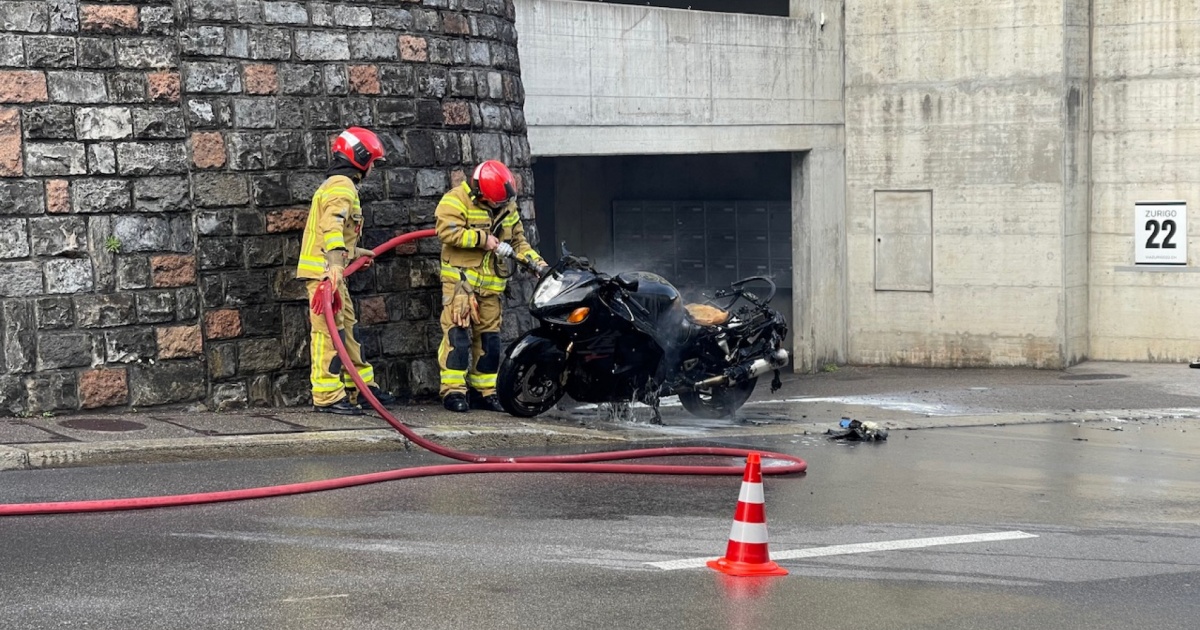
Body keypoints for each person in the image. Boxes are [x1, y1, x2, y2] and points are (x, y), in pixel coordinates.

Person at [296, 126, 398, 415]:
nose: (372, 169)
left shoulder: (340, 185)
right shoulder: (342, 185)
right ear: (361, 158)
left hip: (332, 274)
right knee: (328, 335)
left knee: (347, 330)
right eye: (372, 163)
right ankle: (327, 396)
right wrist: (337, 265)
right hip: (324, 276)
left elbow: (337, 234)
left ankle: (361, 389)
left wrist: (354, 254)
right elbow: (332, 226)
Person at [435, 160, 548, 412]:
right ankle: (453, 392)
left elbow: (519, 242)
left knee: (490, 342)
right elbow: (447, 232)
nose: (500, 206)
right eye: (495, 202)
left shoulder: (507, 205)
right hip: (461, 287)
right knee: (458, 338)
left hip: (491, 290)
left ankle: (484, 391)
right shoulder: (456, 200)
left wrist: (538, 265)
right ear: (480, 193)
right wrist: (483, 239)